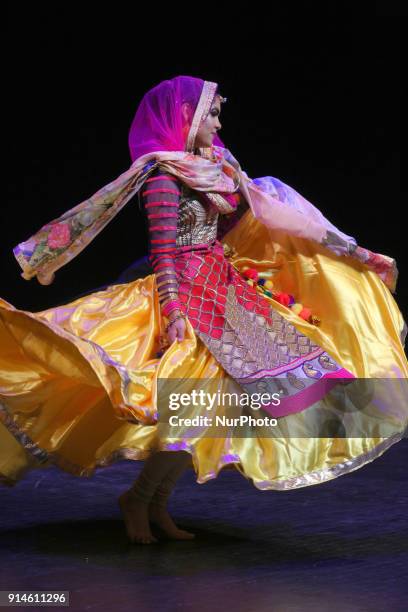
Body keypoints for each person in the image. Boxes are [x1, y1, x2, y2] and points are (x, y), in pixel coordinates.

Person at [1, 76, 407, 545]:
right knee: (191, 408)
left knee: (215, 408)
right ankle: (141, 500)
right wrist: (173, 312)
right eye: (210, 113)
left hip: (224, 286)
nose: (218, 122)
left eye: (217, 113)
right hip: (187, 292)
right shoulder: (162, 176)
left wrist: (342, 252)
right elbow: (164, 253)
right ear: (184, 117)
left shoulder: (217, 167)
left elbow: (261, 215)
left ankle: (150, 500)